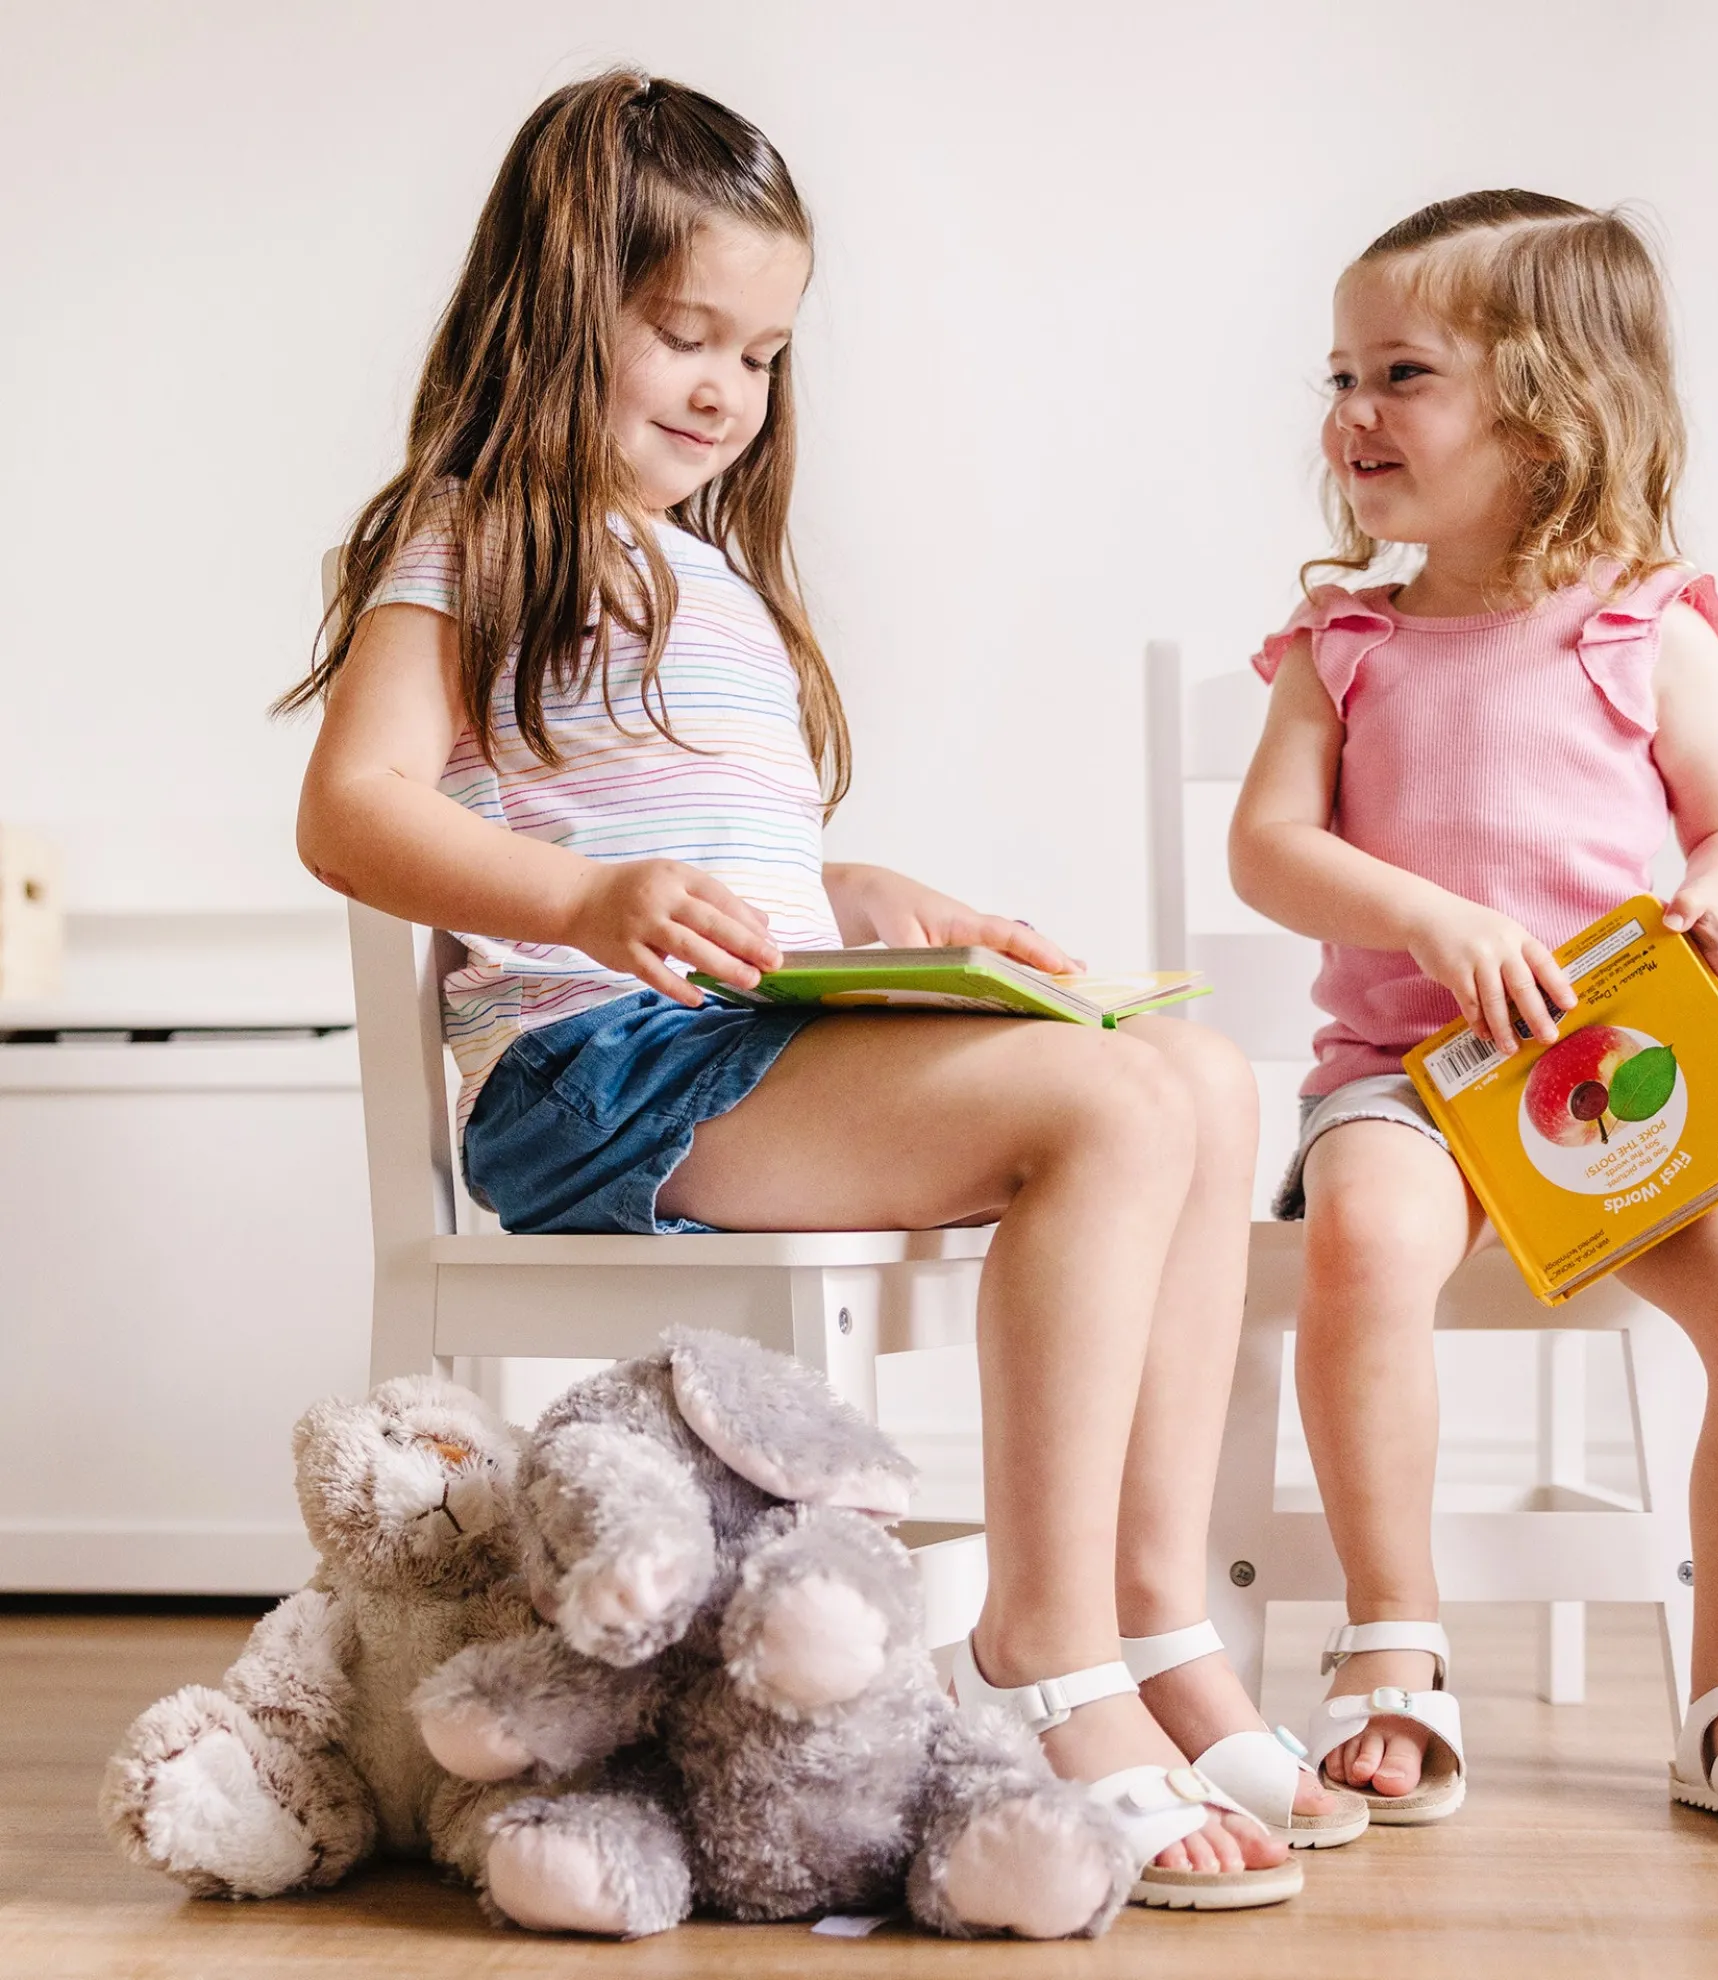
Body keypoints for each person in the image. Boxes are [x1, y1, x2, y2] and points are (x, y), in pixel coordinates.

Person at [284, 71, 1357, 1931]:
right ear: (555, 308)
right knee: (1110, 1108)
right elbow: (351, 810)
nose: (726, 389)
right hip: (589, 1075)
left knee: (1197, 1075)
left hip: (719, 1044)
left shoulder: (708, 573)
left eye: (764, 355)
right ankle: (1043, 1646)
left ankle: (1154, 1614)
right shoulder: (474, 531)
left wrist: (866, 902)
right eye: (684, 331)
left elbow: (717, 858)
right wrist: (582, 901)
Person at [1228, 190, 1718, 1845]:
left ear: (1550, 406)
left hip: (1610, 1073)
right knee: (1366, 1238)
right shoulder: (1344, 643)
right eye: (1340, 375)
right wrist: (1428, 919)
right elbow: (1269, 849)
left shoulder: (1647, 626)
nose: (1350, 412)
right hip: (1404, 1082)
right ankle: (1394, 1635)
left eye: (1402, 373)